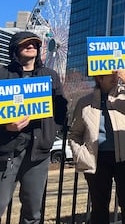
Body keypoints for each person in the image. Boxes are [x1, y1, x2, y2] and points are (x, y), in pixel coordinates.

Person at [0, 31, 68, 224]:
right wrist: (6, 127)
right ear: (14, 48)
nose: (31, 46)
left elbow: (61, 111)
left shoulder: (50, 76)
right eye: (26, 43)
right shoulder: (3, 75)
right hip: (7, 153)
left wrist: (51, 132)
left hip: (38, 153)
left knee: (32, 211)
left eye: (35, 44)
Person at [69, 68, 125, 224]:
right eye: (111, 74)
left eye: (116, 73)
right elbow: (75, 133)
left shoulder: (124, 97)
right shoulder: (84, 102)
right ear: (99, 78)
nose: (115, 76)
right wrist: (80, 153)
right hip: (97, 159)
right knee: (99, 206)